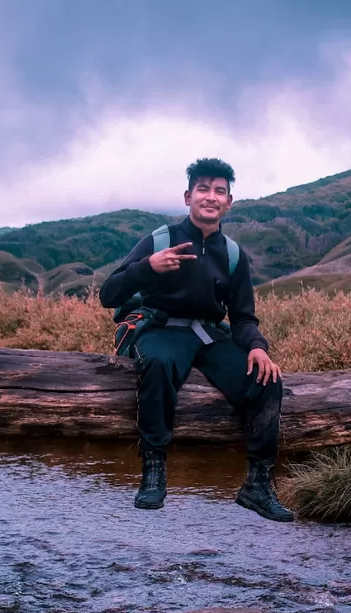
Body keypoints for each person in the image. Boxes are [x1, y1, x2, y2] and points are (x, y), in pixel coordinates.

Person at [99, 157, 294, 522]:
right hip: (160, 328)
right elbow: (108, 293)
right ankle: (153, 471)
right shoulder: (160, 239)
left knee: (267, 379)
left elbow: (242, 316)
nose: (211, 196)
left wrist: (257, 347)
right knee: (157, 363)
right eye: (203, 189)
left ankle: (258, 484)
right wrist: (147, 268)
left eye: (219, 191)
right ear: (188, 196)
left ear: (229, 202)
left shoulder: (233, 254)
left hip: (208, 334)